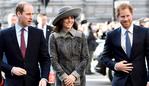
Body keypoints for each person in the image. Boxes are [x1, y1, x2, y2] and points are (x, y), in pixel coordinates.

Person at [0, 2, 50, 86]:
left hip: (34, 82)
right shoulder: (4, 34)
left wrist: (44, 78)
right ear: (18, 14)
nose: (31, 17)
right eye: (28, 14)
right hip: (12, 82)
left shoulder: (38, 34)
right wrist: (11, 69)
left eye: (32, 14)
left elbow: (45, 59)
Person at [101, 3, 149, 86]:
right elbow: (104, 57)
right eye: (122, 16)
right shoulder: (111, 35)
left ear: (132, 15)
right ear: (118, 17)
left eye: (128, 15)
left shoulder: (144, 32)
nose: (126, 19)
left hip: (141, 81)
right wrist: (115, 65)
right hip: (120, 82)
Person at [49, 6, 89, 86]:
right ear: (61, 20)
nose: (70, 20)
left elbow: (86, 58)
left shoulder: (81, 35)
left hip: (79, 80)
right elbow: (53, 60)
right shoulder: (53, 37)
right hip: (62, 80)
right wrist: (65, 78)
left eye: (72, 18)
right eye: (66, 18)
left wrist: (74, 76)